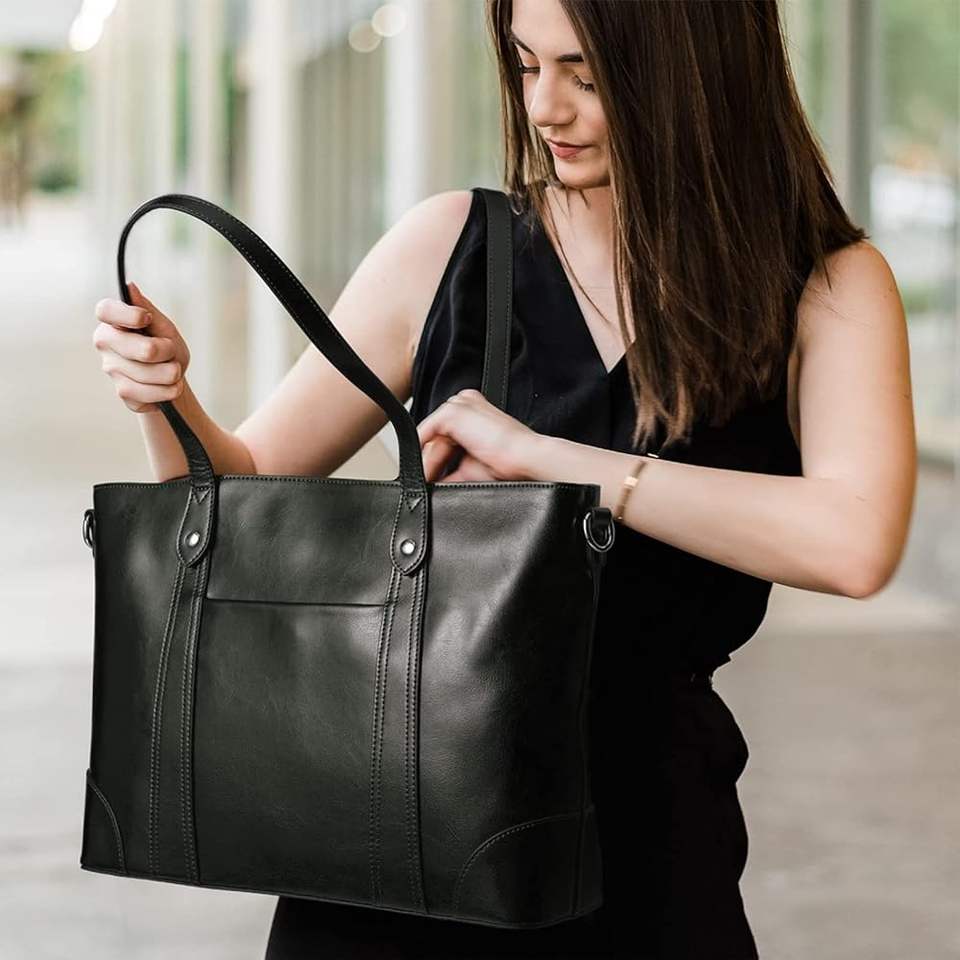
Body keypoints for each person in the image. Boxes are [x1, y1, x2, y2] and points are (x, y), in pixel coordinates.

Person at [91, 1, 917, 957]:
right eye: (527, 66)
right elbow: (235, 492)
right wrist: (166, 398)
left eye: (586, 75)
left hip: (646, 848)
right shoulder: (451, 246)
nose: (545, 107)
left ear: (697, 74)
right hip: (407, 834)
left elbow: (854, 542)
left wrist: (549, 461)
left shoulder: (825, 286)